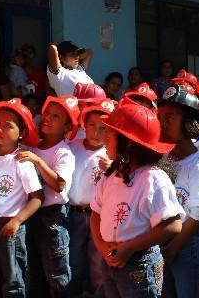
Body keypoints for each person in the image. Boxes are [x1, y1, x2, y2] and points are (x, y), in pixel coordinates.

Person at [90, 103, 184, 297]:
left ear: (129, 142)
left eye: (111, 134)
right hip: (111, 260)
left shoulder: (152, 179)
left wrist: (129, 247)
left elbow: (173, 225)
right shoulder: (111, 175)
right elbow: (96, 214)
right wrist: (101, 245)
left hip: (139, 264)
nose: (104, 137)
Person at [155, 84, 199, 298]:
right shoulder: (160, 160)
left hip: (187, 244)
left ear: (188, 124)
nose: (162, 124)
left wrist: (174, 247)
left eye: (170, 118)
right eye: (160, 117)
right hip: (161, 243)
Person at [16, 95, 79, 297]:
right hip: (32, 215)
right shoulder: (33, 146)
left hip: (53, 218)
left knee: (58, 274)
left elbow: (60, 184)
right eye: (46, 113)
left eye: (56, 117)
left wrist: (37, 161)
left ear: (67, 128)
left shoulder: (63, 153)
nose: (47, 118)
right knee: (34, 272)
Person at [0, 98, 44, 298]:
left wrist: (16, 221)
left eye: (8, 125)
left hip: (10, 227)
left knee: (13, 279)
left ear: (22, 133)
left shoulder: (22, 160)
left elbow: (37, 197)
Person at [68, 98, 116, 297]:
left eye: (104, 128)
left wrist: (113, 169)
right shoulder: (72, 146)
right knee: (74, 257)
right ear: (83, 126)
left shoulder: (112, 154)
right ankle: (78, 292)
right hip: (73, 213)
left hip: (99, 215)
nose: (97, 133)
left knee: (97, 261)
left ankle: (98, 293)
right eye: (92, 126)